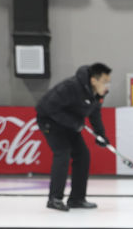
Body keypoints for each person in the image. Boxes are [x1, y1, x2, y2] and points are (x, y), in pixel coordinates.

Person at [35, 63, 112, 211]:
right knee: (62, 153)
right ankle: (54, 199)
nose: (107, 86)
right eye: (104, 82)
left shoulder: (97, 93)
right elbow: (47, 107)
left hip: (70, 124)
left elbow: (95, 114)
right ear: (93, 80)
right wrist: (74, 123)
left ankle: (77, 199)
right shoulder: (71, 87)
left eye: (109, 82)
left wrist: (100, 135)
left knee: (83, 155)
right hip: (49, 120)